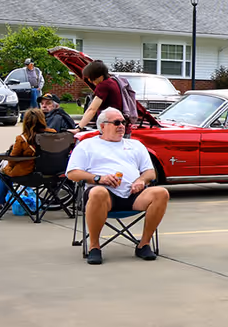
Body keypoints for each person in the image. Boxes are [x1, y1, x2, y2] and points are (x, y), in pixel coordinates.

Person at [65, 110, 168, 264]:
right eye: (116, 123)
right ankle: (94, 247)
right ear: (102, 126)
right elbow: (72, 173)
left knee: (161, 193)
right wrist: (99, 178)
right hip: (103, 197)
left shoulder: (135, 145)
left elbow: (150, 173)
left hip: (134, 194)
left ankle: (144, 244)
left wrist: (141, 180)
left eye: (123, 122)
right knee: (98, 192)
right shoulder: (88, 145)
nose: (122, 126)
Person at [0, 107, 52, 218]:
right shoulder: (53, 134)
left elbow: (12, 160)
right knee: (5, 172)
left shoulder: (22, 139)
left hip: (29, 175)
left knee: (4, 174)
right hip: (52, 174)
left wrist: (6, 168)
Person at [78, 59, 130, 129]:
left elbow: (92, 109)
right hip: (120, 126)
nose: (90, 81)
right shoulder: (113, 82)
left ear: (100, 76)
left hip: (111, 128)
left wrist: (79, 128)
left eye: (91, 78)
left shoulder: (103, 86)